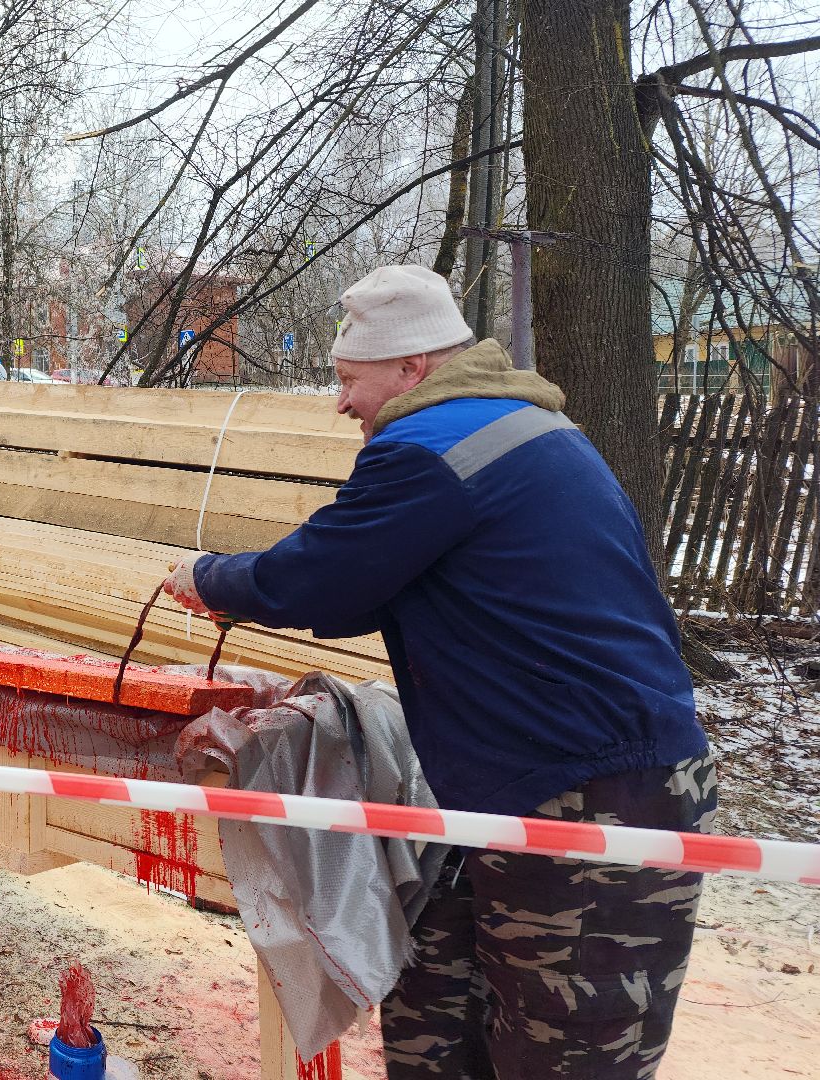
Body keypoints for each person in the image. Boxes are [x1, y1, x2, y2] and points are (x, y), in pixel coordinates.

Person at [162, 265, 713, 1078]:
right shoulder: (519, 427)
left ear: (411, 368)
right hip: (509, 778)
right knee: (435, 1020)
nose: (341, 402)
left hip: (593, 794)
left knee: (567, 1053)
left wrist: (205, 579)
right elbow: (388, 585)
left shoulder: (429, 451)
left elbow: (318, 576)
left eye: (350, 380)